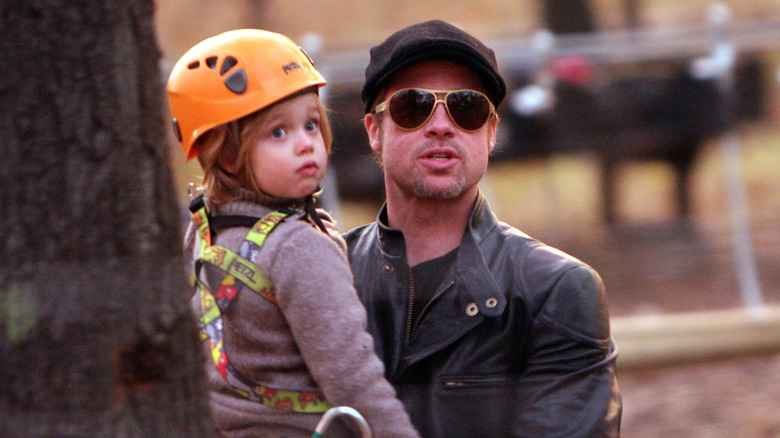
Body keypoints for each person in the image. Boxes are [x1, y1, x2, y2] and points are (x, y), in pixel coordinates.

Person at [345, 20, 622, 437]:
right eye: (413, 106)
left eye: (467, 108)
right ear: (374, 131)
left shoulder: (557, 291)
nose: (440, 125)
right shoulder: (324, 273)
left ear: (491, 133)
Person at [166, 29, 419, 438]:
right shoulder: (298, 246)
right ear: (227, 155)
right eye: (277, 132)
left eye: (311, 125)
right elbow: (352, 377)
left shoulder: (203, 230)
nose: (305, 144)